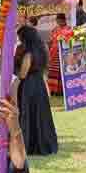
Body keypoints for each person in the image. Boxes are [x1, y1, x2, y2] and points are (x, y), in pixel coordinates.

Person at [13, 26, 58, 155]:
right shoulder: (43, 50)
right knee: (40, 116)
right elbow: (44, 70)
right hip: (39, 84)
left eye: (20, 38)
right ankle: (43, 142)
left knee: (28, 114)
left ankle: (28, 144)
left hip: (29, 86)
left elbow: (23, 74)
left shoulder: (28, 54)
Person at [47, 13, 73, 95]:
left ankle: (60, 91)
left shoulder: (68, 29)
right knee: (52, 72)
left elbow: (69, 41)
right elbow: (51, 40)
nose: (57, 22)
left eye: (58, 20)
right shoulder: (55, 29)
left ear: (63, 20)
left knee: (61, 73)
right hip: (53, 54)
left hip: (62, 54)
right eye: (57, 20)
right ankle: (52, 90)